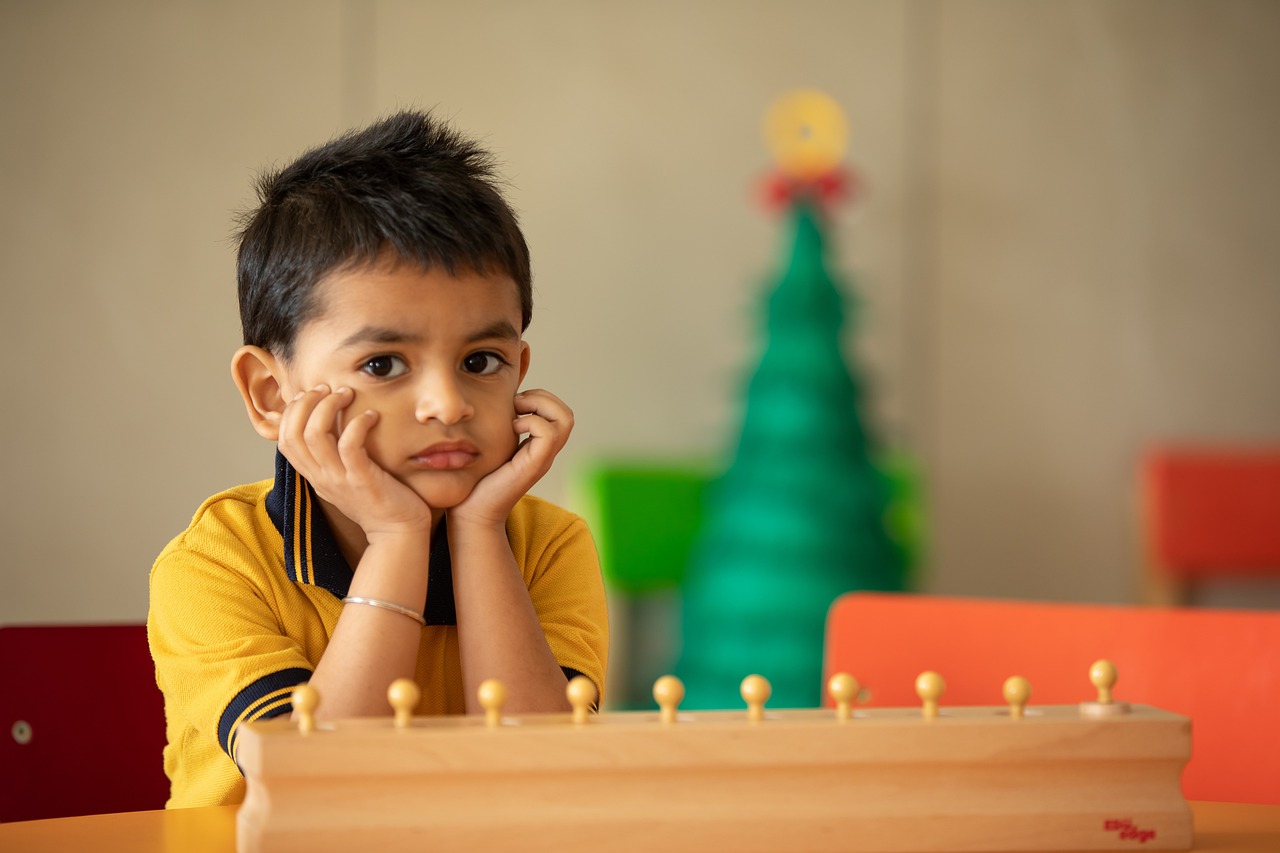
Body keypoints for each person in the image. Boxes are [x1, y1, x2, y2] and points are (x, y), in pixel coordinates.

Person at [148, 110, 609, 808]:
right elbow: (317, 787)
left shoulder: (548, 544)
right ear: (273, 394)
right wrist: (398, 537)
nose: (447, 404)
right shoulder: (216, 561)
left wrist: (481, 534)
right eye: (385, 362)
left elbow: (543, 779)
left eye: (481, 360)